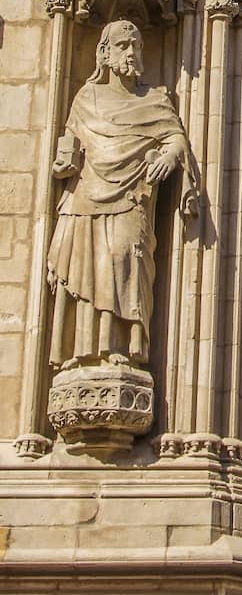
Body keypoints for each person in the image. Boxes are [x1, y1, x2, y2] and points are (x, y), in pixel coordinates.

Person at [47, 20, 197, 370]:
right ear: (105, 53)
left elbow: (174, 137)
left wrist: (169, 156)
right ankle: (85, 350)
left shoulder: (153, 99)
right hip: (86, 196)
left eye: (137, 46)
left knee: (123, 259)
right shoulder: (86, 98)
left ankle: (123, 345)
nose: (132, 53)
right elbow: (71, 143)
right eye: (123, 46)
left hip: (132, 198)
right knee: (86, 266)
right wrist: (62, 163)